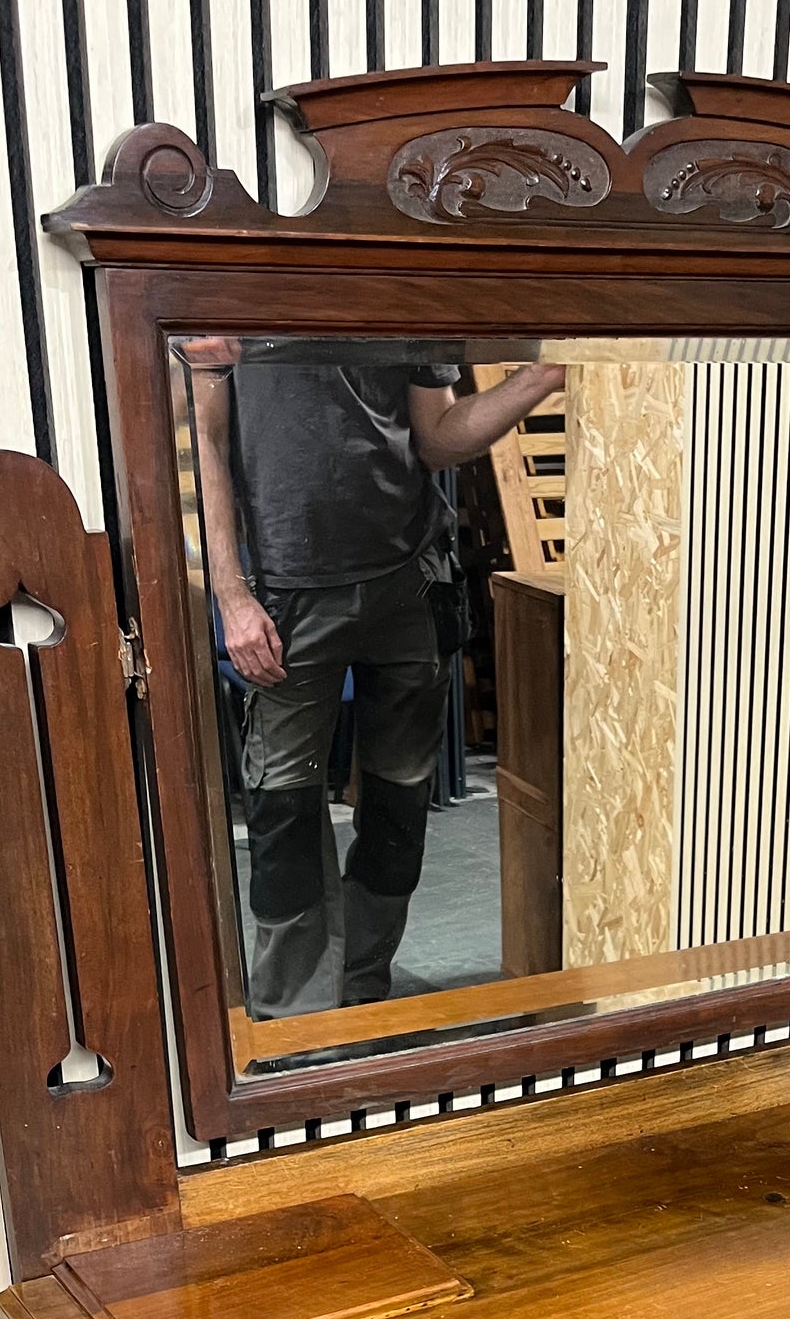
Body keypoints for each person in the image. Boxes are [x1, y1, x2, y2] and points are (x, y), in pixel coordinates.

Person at [188, 338, 565, 1015]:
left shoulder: (404, 293)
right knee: (284, 815)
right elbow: (207, 444)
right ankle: (296, 1026)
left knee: (400, 807)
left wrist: (540, 379)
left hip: (408, 582)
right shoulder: (240, 283)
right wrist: (232, 595)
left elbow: (438, 437)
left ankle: (363, 996)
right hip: (287, 590)